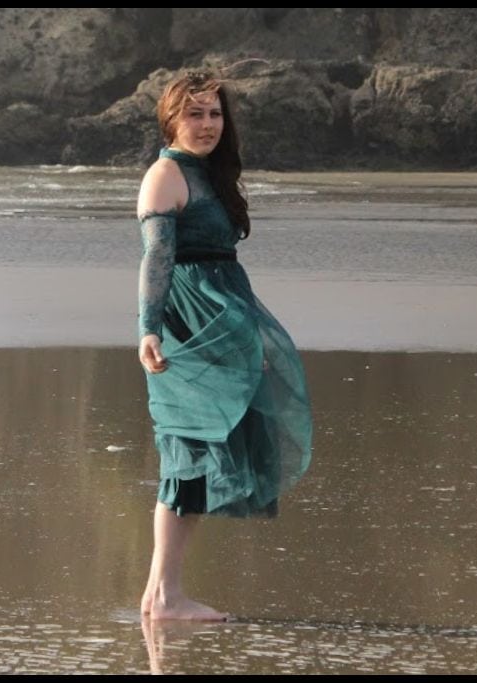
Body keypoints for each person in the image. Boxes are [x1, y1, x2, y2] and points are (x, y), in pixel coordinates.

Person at [136, 70, 312, 621]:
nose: (208, 124)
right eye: (195, 114)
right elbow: (157, 259)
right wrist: (148, 329)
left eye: (215, 113)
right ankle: (166, 596)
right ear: (171, 119)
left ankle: (159, 594)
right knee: (185, 457)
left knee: (195, 458)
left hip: (221, 322)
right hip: (188, 330)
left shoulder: (208, 174)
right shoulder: (166, 175)